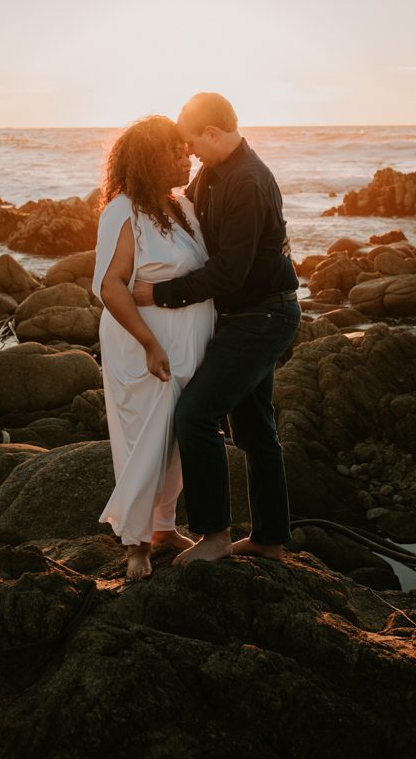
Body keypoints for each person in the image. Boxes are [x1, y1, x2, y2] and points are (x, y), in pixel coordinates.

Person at [133, 92, 301, 565]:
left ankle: (215, 536)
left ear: (211, 133)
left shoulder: (248, 181)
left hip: (263, 317)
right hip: (248, 314)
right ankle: (269, 539)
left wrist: (159, 294)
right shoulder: (214, 172)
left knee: (195, 415)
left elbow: (229, 271)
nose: (188, 154)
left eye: (191, 144)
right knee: (254, 431)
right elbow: (186, 221)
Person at [92, 115, 215, 580]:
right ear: (150, 159)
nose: (186, 156)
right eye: (175, 150)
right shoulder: (123, 211)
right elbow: (112, 286)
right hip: (146, 346)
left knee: (178, 441)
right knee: (146, 440)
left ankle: (163, 526)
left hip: (187, 344)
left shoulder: (179, 206)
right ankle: (136, 546)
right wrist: (149, 343)